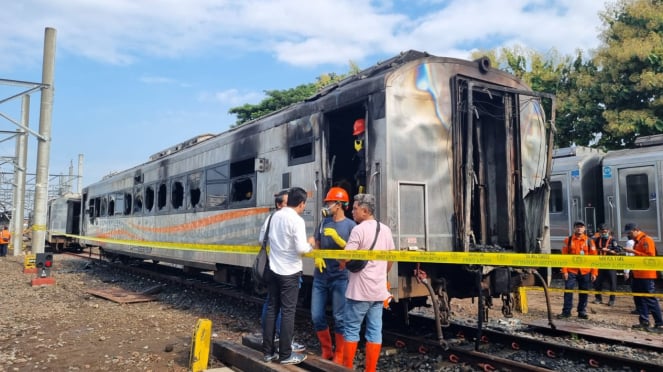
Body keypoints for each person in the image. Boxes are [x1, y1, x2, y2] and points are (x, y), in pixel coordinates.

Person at [341, 193, 394, 372]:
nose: (352, 212)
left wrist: (341, 260)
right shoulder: (385, 229)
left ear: (365, 211)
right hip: (378, 292)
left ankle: (347, 368)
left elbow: (348, 256)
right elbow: (390, 258)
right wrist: (381, 274)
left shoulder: (358, 230)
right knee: (374, 331)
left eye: (355, 209)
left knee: (351, 329)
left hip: (359, 292)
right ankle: (370, 370)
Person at [262, 187, 314, 365]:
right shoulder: (296, 220)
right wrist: (310, 245)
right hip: (290, 272)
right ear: (301, 203)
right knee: (288, 313)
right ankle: (285, 355)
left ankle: (268, 353)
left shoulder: (275, 216)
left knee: (271, 309)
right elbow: (301, 249)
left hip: (273, 270)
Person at [312, 187, 356, 363]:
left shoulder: (351, 226)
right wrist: (317, 256)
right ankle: (326, 349)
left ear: (339, 205)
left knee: (339, 317)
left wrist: (339, 240)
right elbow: (316, 241)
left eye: (330, 202)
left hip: (340, 276)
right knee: (316, 315)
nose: (327, 205)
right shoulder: (323, 223)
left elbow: (354, 252)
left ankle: (339, 353)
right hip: (321, 276)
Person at [622, 223, 663, 332]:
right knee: (639, 298)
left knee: (650, 298)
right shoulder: (637, 241)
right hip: (638, 274)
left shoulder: (647, 240)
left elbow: (650, 257)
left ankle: (659, 324)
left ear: (636, 230)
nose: (629, 235)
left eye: (630, 232)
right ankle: (644, 321)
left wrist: (633, 251)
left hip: (646, 274)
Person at [558, 220, 597, 320]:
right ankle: (566, 311)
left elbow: (594, 258)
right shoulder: (568, 240)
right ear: (574, 228)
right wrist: (564, 271)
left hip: (585, 271)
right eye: (577, 226)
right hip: (571, 270)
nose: (579, 228)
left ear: (584, 229)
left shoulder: (589, 241)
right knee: (568, 291)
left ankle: (582, 311)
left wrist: (594, 272)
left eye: (581, 226)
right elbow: (564, 257)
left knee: (584, 291)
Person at [592, 223, 621, 306]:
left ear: (608, 231)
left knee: (612, 282)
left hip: (610, 264)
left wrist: (608, 250)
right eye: (601, 231)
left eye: (605, 231)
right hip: (600, 264)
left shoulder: (613, 240)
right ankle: (598, 298)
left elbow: (617, 252)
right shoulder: (597, 240)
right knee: (597, 282)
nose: (603, 233)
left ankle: (612, 300)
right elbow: (593, 249)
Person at [352, 118, 367, 194]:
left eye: (360, 135)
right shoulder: (362, 145)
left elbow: (364, 158)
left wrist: (359, 150)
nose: (359, 138)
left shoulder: (368, 144)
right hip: (361, 178)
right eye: (358, 136)